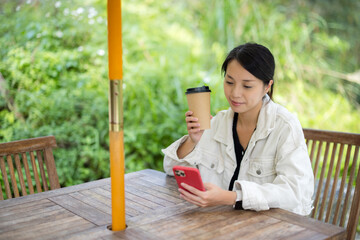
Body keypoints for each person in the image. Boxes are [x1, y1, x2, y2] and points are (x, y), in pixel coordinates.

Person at [162, 42, 314, 215]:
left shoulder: (284, 126)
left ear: (267, 86)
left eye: (247, 86)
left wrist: (231, 197)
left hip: (271, 228)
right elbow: (170, 169)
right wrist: (192, 141)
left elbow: (296, 192)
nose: (235, 93)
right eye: (229, 82)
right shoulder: (219, 122)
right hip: (222, 225)